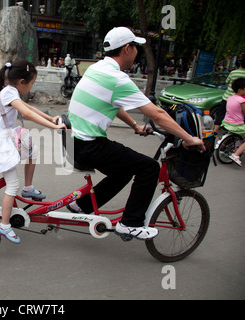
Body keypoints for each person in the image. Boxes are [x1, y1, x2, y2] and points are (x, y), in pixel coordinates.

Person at [66, 27, 205, 240]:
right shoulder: (117, 78)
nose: (137, 52)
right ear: (127, 49)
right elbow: (158, 114)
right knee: (149, 167)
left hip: (73, 142)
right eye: (136, 48)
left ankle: (81, 205)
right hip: (88, 145)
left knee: (123, 170)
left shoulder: (98, 68)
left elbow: (113, 103)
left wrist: (134, 125)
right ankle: (130, 223)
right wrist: (190, 138)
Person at [0, 60, 66, 244]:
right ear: (22, 81)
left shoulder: (10, 91)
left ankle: (28, 188)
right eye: (32, 83)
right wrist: (53, 127)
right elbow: (30, 113)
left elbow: (29, 109)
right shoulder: (9, 92)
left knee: (30, 145)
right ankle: (4, 225)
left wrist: (51, 118)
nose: (32, 87)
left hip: (5, 136)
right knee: (11, 186)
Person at [214, 59, 245, 133]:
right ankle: (233, 132)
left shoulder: (233, 72)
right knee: (238, 116)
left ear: (240, 64)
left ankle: (215, 130)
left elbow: (227, 81)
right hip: (240, 99)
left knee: (222, 114)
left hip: (228, 97)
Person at [222, 78, 245, 166]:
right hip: (236, 125)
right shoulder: (242, 100)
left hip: (227, 122)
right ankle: (236, 155)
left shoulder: (230, 98)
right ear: (240, 90)